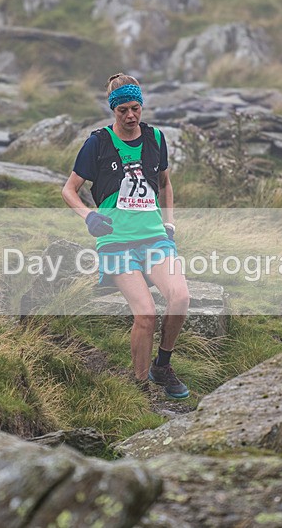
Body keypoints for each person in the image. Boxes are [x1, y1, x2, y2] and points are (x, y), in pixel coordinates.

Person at [62, 73, 191, 399]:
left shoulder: (156, 139)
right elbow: (69, 190)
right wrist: (88, 215)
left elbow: (164, 184)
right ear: (113, 110)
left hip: (154, 239)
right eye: (123, 110)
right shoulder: (98, 143)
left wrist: (170, 223)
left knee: (181, 297)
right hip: (116, 242)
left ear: (142, 106)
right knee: (145, 314)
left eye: (136, 108)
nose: (131, 116)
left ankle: (162, 365)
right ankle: (139, 386)